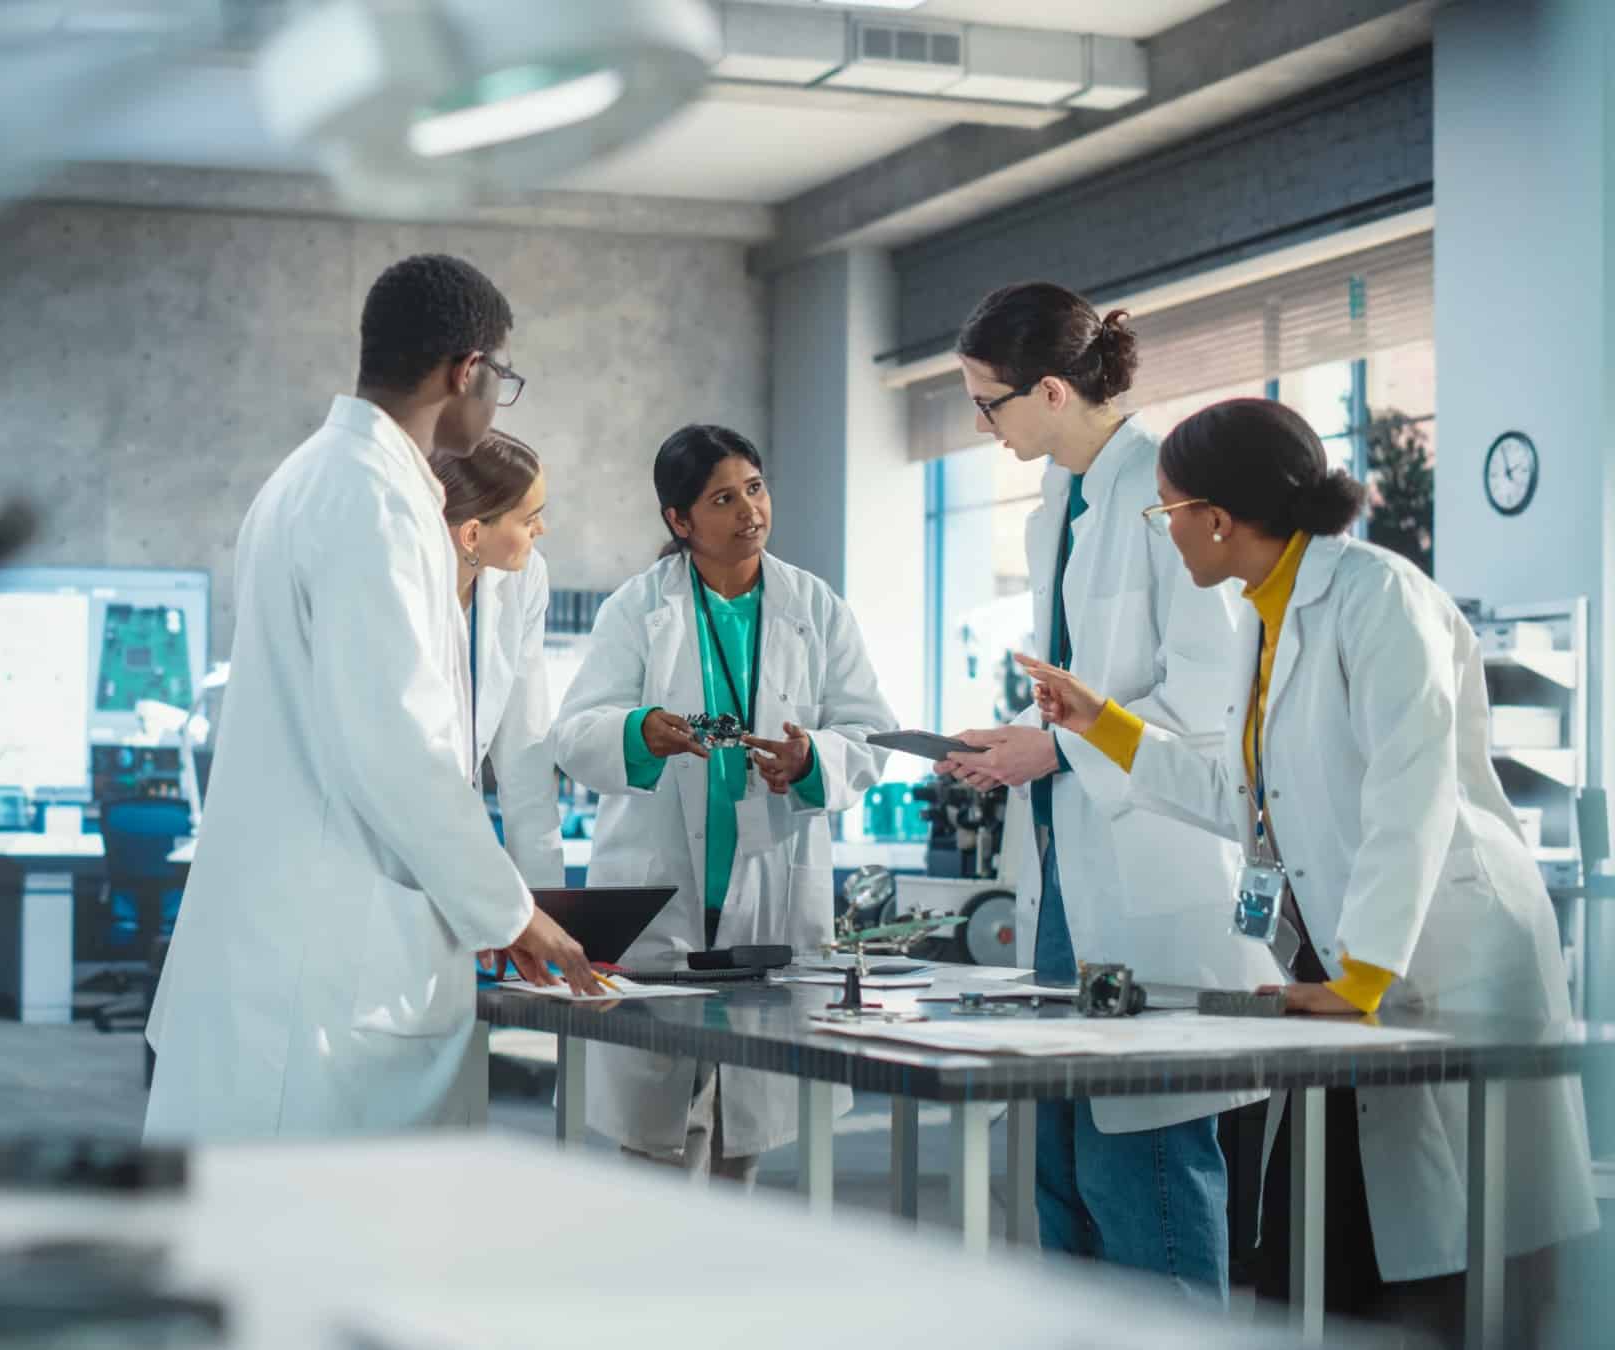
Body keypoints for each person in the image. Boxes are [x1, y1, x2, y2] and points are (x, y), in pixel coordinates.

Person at [1017, 397, 1598, 1336]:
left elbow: (1409, 794)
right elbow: (1242, 792)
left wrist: (1361, 972)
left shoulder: (1377, 597)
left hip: (1439, 958)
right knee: (1336, 1260)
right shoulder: (1265, 612)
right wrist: (1103, 723)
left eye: (1166, 514)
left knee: (1464, 1273)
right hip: (1352, 965)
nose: (1164, 536)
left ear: (1217, 516)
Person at [143, 255, 597, 1141]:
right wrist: (511, 912)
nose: (497, 397)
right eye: (500, 377)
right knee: (322, 1237)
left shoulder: (313, 479)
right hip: (325, 961)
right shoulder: (375, 502)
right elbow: (397, 750)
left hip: (290, 939)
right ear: (466, 371)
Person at [936, 282, 1278, 1298]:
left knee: (1148, 1181)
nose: (981, 425)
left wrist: (1057, 750)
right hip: (1061, 875)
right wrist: (1027, 741)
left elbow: (1207, 704)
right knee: (1062, 1181)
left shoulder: (1174, 491)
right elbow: (1081, 697)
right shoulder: (1059, 506)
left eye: (987, 402)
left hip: (1145, 877)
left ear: (1049, 391)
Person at [547, 424, 896, 1179]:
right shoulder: (636, 609)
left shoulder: (816, 605)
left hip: (769, 886)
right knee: (656, 1141)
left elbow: (870, 731)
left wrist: (814, 760)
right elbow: (573, 735)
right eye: (723, 498)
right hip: (664, 896)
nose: (750, 510)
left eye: (756, 488)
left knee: (745, 1130)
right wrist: (642, 731)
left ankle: (722, 1286)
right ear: (680, 520)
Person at [431, 427, 563, 889]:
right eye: (529, 519)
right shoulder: (397, 592)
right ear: (472, 534)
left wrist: (544, 906)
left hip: (456, 840)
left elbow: (526, 757)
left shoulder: (525, 579)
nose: (540, 530)